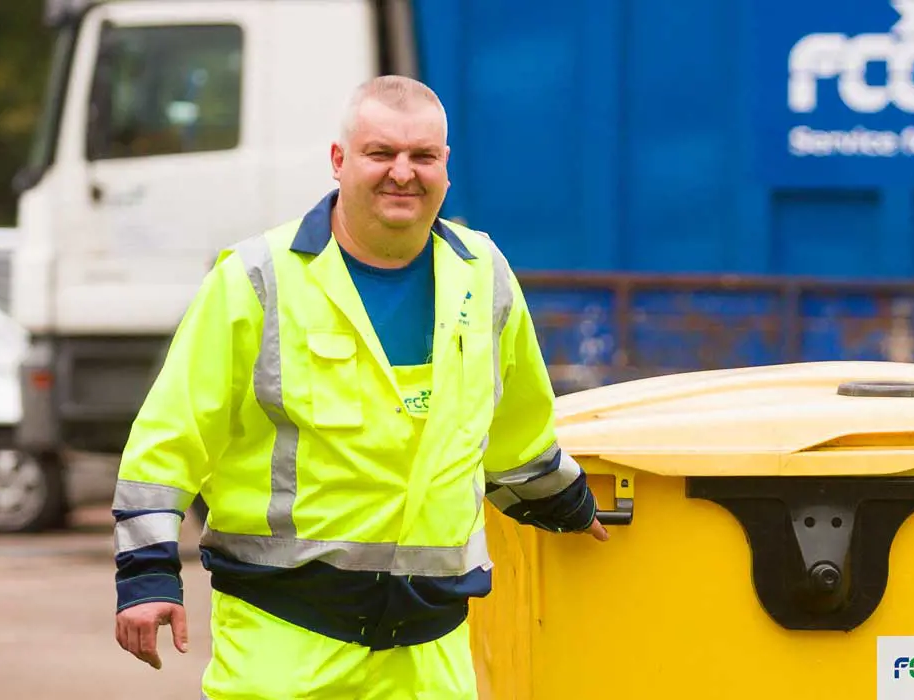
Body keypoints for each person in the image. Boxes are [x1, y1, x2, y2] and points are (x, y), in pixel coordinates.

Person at [110, 75, 608, 699]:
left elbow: (517, 432)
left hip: (429, 649)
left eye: (422, 156)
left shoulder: (484, 276)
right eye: (382, 154)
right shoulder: (254, 280)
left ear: (445, 167)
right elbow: (170, 439)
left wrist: (570, 506)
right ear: (340, 162)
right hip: (285, 638)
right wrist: (147, 576)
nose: (404, 173)